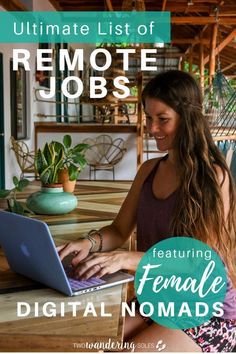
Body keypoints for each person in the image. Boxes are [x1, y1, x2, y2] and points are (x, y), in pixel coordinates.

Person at [57, 70, 236, 352]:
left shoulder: (213, 177)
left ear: (187, 118)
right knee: (89, 345)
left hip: (204, 309)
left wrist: (125, 258)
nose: (152, 129)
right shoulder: (149, 171)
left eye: (162, 119)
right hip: (155, 301)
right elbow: (118, 230)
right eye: (149, 118)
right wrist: (88, 243)